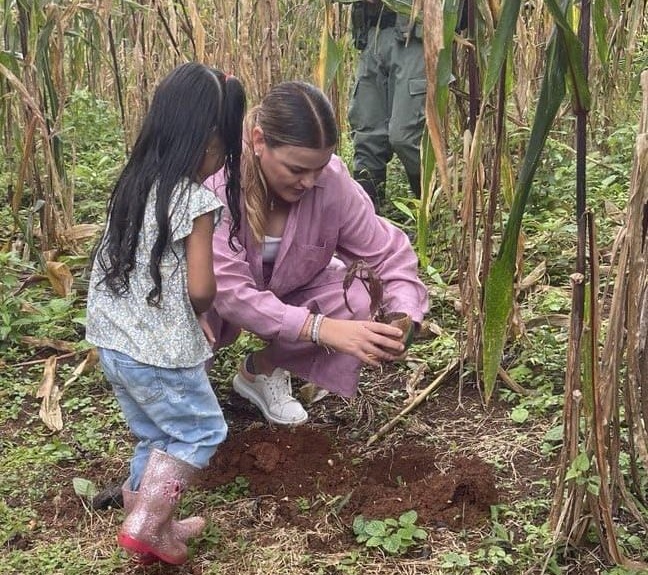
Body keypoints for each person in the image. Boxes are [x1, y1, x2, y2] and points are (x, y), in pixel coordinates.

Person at [85, 62, 246, 565]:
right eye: (223, 150)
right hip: (157, 352)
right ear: (208, 141)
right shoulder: (195, 201)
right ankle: (148, 525)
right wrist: (203, 309)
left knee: (155, 435)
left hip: (113, 341)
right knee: (201, 432)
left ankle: (152, 520)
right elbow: (200, 287)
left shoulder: (133, 184)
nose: (220, 163)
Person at [201, 80, 428, 427]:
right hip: (213, 305)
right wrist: (321, 328)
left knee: (363, 297)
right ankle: (189, 381)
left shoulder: (332, 181)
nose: (309, 182)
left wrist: (403, 315)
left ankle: (262, 370)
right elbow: (228, 292)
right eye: (296, 169)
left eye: (317, 169)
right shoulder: (220, 182)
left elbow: (386, 253)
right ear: (260, 141)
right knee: (185, 388)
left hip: (292, 290)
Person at [346, 0, 426, 211]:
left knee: (405, 137)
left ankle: (432, 215)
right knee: (367, 137)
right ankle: (366, 222)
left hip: (415, 35)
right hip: (372, 33)